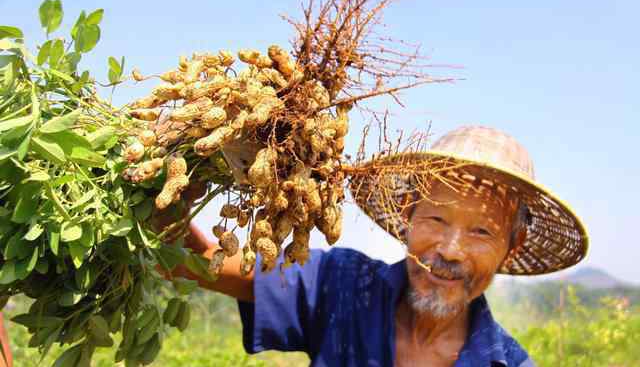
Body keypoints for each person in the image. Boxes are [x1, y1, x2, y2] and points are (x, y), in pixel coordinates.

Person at [164, 126, 589, 366]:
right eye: (437, 219)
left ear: (511, 247)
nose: (451, 249)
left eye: (481, 233)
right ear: (406, 214)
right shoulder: (343, 286)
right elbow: (196, 263)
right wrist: (174, 184)